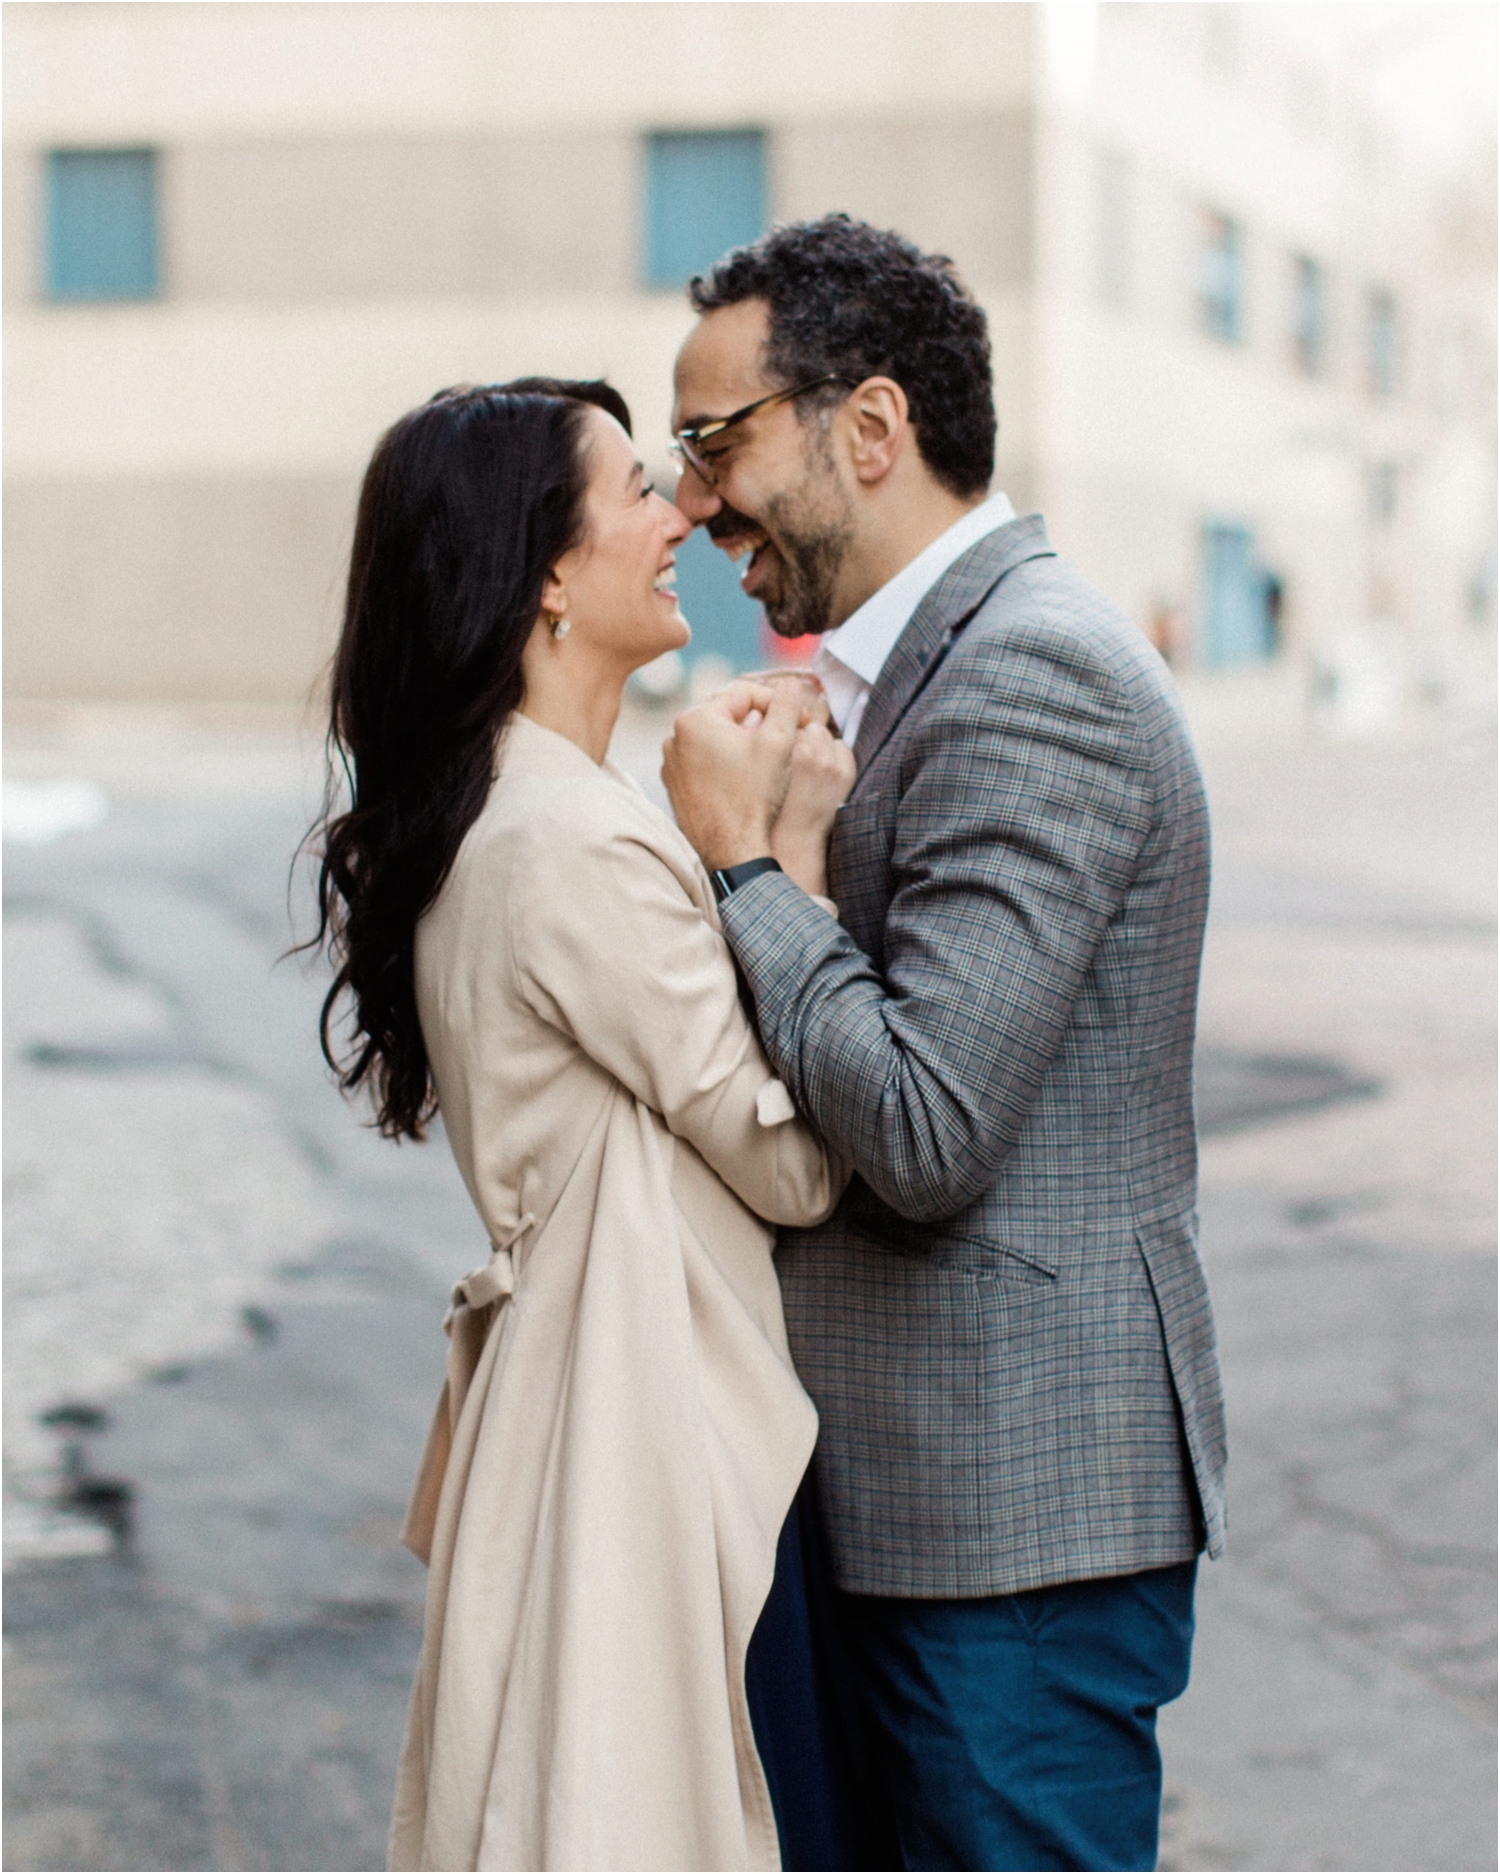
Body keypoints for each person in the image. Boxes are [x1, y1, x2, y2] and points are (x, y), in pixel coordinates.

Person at [661, 215, 1229, 1873]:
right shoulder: (909, 674)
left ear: (871, 428)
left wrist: (750, 869)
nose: (694, 505)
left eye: (716, 442)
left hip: (1015, 1520)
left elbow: (922, 1122)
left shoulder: (1034, 673)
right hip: (906, 1501)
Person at [307, 377, 859, 1871]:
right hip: (642, 1438)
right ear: (548, 571)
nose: (679, 511)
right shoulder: (573, 840)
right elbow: (799, 1159)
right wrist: (779, 851)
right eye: (633, 489)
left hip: (577, 1415)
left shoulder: (516, 808)